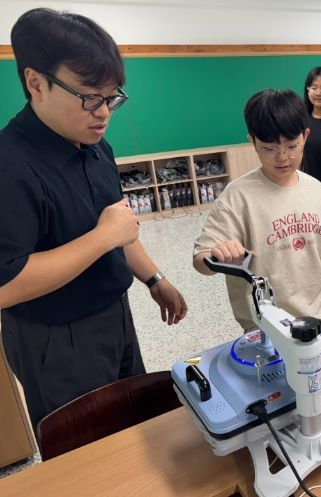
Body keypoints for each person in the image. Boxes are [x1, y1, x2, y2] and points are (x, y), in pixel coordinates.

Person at [0, 8, 187, 430]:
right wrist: (102, 238)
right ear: (36, 83)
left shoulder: (96, 146)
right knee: (85, 447)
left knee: (135, 424)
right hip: (55, 337)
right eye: (89, 97)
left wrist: (155, 279)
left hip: (114, 313)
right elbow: (6, 285)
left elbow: (119, 228)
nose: (103, 113)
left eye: (112, 98)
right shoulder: (10, 167)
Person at [193, 89, 321, 330]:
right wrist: (217, 254)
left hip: (320, 321)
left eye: (292, 146)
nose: (283, 157)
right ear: (253, 141)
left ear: (305, 136)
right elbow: (200, 260)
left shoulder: (317, 190)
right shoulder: (238, 196)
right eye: (269, 149)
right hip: (266, 329)